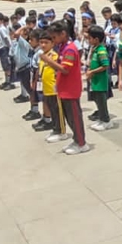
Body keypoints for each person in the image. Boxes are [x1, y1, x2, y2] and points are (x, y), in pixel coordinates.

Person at [41, 21, 90, 155]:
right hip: (64, 88)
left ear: (63, 34)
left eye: (54, 37)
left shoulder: (69, 49)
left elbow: (65, 69)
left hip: (71, 89)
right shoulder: (63, 47)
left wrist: (48, 61)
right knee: (69, 117)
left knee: (75, 117)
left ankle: (81, 143)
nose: (54, 40)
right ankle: (76, 139)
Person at [86, 26, 113, 131]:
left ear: (96, 39)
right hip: (95, 80)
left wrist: (92, 72)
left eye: (90, 38)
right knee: (97, 100)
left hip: (101, 81)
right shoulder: (95, 49)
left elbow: (105, 65)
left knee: (102, 101)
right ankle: (101, 119)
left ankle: (106, 120)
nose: (89, 40)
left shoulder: (101, 50)